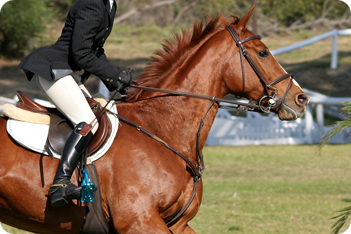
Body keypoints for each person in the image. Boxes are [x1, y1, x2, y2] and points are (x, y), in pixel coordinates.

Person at [18, 0, 132, 208]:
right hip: (55, 71)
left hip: (71, 75)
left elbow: (95, 50)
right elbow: (81, 53)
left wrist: (115, 78)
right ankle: (60, 185)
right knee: (88, 121)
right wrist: (112, 74)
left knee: (101, 117)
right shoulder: (92, 5)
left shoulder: (110, 5)